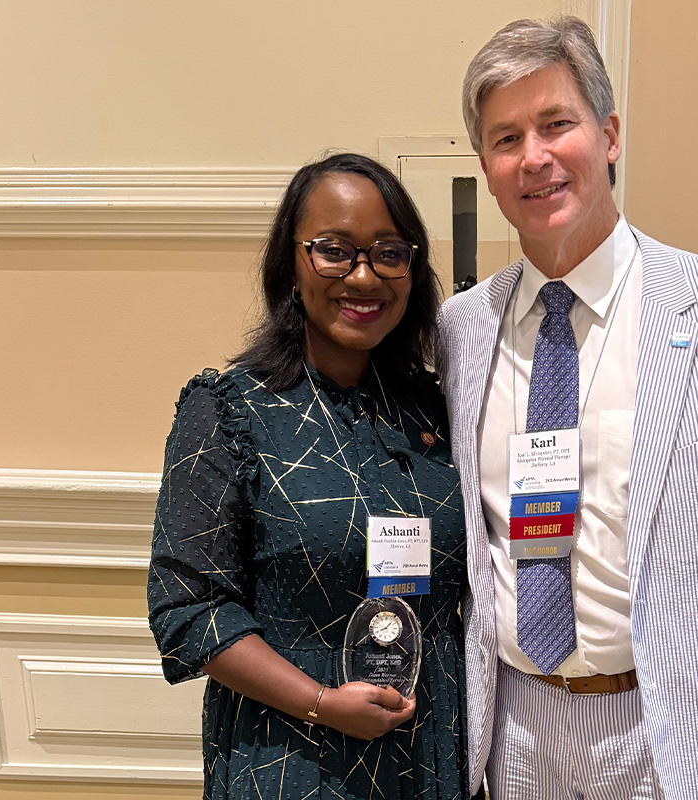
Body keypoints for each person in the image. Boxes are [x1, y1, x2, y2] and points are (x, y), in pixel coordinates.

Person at [436, 17, 698, 800]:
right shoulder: (462, 330)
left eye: (557, 124)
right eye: (506, 138)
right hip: (514, 727)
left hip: (678, 729)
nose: (536, 157)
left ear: (610, 134)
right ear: (487, 168)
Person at [147, 153, 470, 800]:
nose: (363, 275)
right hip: (295, 756)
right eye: (333, 251)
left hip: (433, 755)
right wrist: (322, 701)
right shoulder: (229, 410)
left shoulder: (437, 407)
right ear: (291, 267)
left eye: (388, 253)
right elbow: (188, 610)